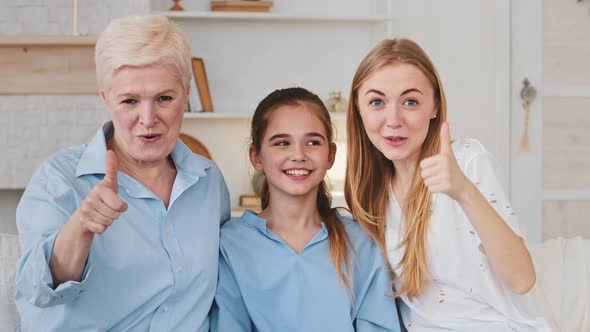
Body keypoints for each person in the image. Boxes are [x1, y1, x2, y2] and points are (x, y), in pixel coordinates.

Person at [15, 15, 230, 331]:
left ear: (185, 94)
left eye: (164, 99)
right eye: (130, 101)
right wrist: (81, 228)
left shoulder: (208, 181)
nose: (148, 118)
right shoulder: (59, 179)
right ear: (106, 99)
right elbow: (35, 290)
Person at [344, 39, 551, 331]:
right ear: (358, 108)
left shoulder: (466, 160)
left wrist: (463, 191)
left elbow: (522, 279)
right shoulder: (371, 191)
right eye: (377, 102)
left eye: (410, 102)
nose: (393, 120)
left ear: (435, 106)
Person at [210, 87, 401, 332]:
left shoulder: (361, 242)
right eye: (282, 143)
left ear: (330, 154)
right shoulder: (230, 244)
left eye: (312, 142)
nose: (298, 155)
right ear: (256, 156)